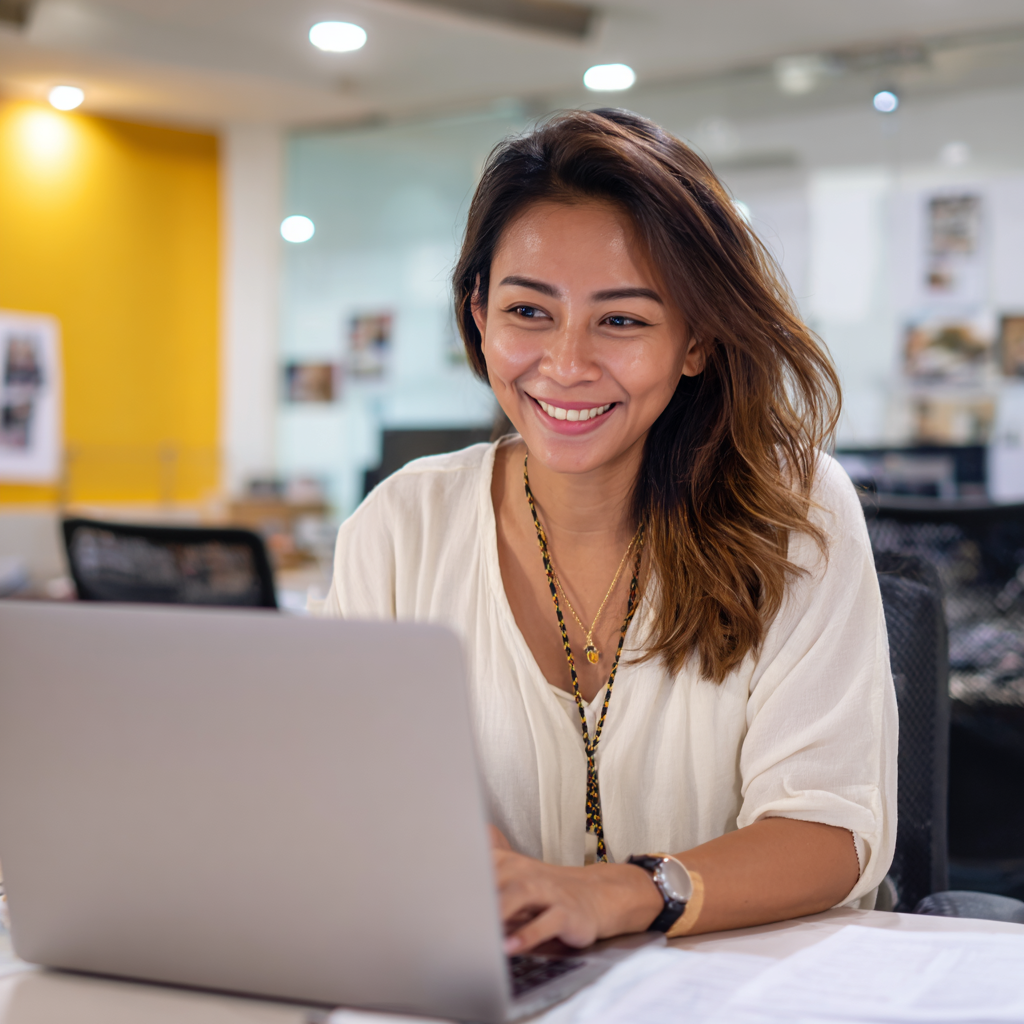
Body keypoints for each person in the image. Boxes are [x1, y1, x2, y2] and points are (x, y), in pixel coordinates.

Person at [321, 109, 896, 952]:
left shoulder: (795, 512)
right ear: (479, 314)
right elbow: (355, 793)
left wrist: (618, 894)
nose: (566, 364)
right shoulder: (400, 527)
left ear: (696, 339)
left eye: (621, 320)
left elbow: (828, 833)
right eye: (528, 311)